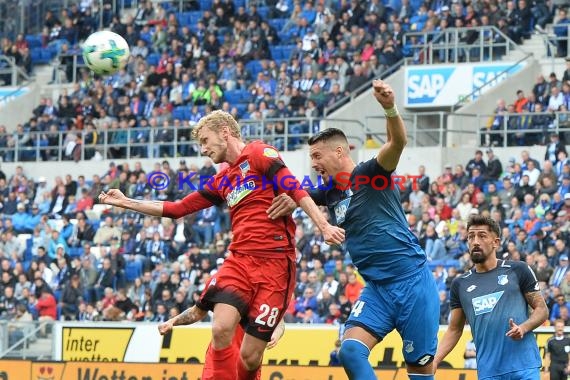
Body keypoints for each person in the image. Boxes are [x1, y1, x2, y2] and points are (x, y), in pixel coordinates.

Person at [99, 110, 345, 380]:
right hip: (239, 261)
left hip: (275, 264)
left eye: (205, 141)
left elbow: (295, 189)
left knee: (250, 357)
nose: (203, 149)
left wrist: (323, 225)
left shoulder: (260, 153)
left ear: (225, 133)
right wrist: (125, 202)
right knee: (220, 329)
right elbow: (177, 208)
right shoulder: (222, 179)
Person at [269, 80, 439, 379]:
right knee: (349, 350)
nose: (314, 164)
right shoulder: (328, 192)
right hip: (377, 289)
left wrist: (389, 107)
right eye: (311, 159)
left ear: (339, 151)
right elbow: (297, 194)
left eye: (317, 156)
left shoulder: (370, 174)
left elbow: (397, 143)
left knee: (419, 368)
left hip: (412, 282)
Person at [434, 215, 548, 379]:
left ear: (496, 242)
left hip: (524, 367)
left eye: (482, 235)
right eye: (471, 236)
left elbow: (542, 310)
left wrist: (523, 327)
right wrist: (435, 361)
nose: (475, 241)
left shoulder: (519, 270)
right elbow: (454, 329)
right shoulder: (460, 284)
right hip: (489, 372)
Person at [158, 303, 285, 380]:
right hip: (218, 360)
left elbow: (280, 322)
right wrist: (172, 321)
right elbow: (195, 312)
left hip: (247, 363)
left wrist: (276, 334)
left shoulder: (264, 293)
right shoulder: (226, 286)